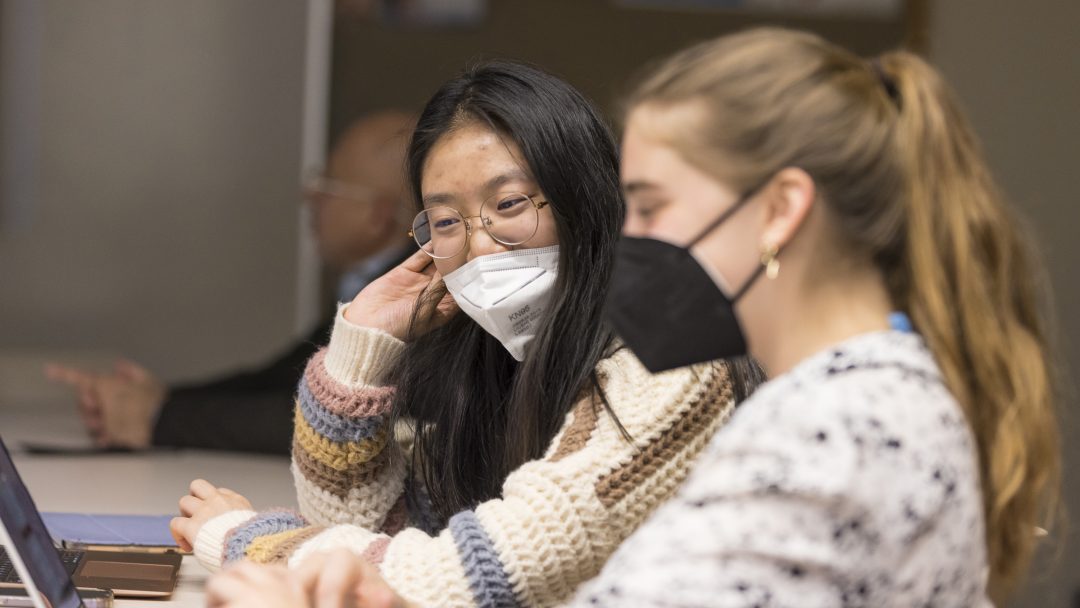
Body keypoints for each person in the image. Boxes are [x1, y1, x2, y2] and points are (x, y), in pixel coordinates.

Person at [203, 27, 1061, 608]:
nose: (626, 234)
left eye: (646, 204)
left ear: (778, 212)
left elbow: (480, 581)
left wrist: (261, 547)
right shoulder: (854, 395)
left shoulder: (830, 425)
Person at [171, 59, 763, 607]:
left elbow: (455, 579)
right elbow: (380, 530)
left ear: (587, 201)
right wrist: (359, 352)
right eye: (448, 221)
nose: (479, 247)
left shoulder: (672, 364)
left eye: (508, 204)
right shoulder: (498, 359)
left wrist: (247, 540)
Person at [43, 111, 417, 454]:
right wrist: (155, 400)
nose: (311, 197)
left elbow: (323, 419)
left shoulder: (412, 302)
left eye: (328, 186)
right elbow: (283, 379)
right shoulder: (367, 283)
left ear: (378, 215)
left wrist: (158, 418)